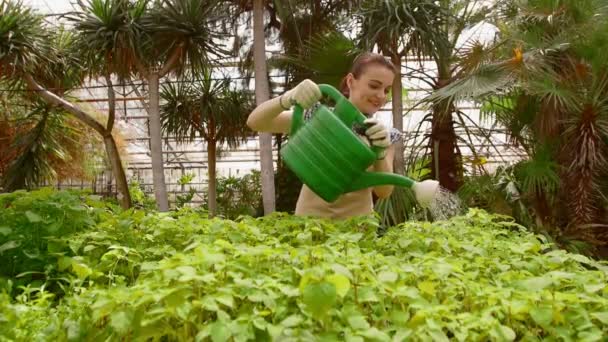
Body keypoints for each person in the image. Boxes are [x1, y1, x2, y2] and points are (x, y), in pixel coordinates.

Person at [247, 52, 401, 219]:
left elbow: (384, 191)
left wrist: (380, 151)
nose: (381, 95)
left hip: (358, 232)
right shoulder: (319, 117)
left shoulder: (385, 135)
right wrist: (287, 98)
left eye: (386, 90)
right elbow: (256, 122)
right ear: (351, 81)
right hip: (309, 228)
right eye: (374, 86)